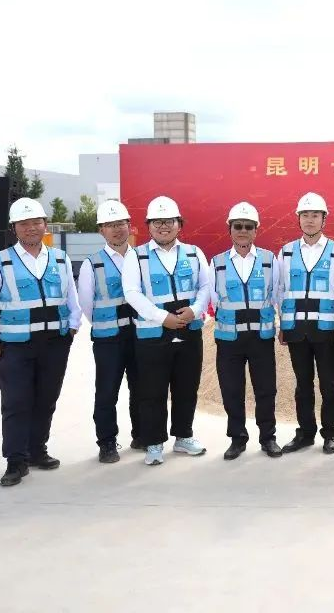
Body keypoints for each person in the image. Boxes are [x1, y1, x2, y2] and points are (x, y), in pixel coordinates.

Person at [0, 197, 81, 487]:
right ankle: (16, 460)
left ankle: (37, 450)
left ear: (45, 225)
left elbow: (71, 296)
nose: (31, 228)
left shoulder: (60, 258)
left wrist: (73, 326)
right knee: (16, 402)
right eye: (24, 224)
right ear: (14, 228)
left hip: (55, 343)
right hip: (15, 345)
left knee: (46, 399)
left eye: (36, 222)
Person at [122, 195, 213, 466]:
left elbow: (205, 286)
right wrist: (163, 318)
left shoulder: (194, 253)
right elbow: (132, 293)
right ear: (148, 226)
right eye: (157, 222)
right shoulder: (136, 256)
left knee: (187, 387)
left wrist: (196, 309)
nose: (163, 226)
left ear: (179, 224)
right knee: (152, 390)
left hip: (189, 330)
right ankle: (154, 442)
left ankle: (183, 436)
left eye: (169, 221)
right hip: (153, 334)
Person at [210, 202, 282, 460]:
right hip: (229, 339)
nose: (242, 230)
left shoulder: (269, 260)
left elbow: (277, 295)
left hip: (261, 337)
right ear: (230, 229)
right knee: (232, 390)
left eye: (248, 226)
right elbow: (214, 299)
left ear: (256, 231)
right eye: (238, 226)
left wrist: (282, 325)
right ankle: (237, 438)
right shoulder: (217, 262)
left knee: (266, 390)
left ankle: (268, 437)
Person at [277, 192, 334, 455]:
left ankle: (329, 434)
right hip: (297, 330)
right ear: (298, 219)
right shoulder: (286, 252)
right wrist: (283, 324)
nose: (310, 220)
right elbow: (280, 290)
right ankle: (305, 434)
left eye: (315, 215)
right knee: (303, 385)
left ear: (324, 219)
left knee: (329, 385)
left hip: (326, 329)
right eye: (305, 215)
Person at [78, 199, 141, 463]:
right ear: (101, 230)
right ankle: (107, 442)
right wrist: (107, 323)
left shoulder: (142, 258)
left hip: (140, 335)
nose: (116, 229)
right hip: (109, 339)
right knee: (107, 392)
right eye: (110, 225)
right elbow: (86, 304)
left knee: (142, 388)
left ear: (129, 226)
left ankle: (142, 434)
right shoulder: (92, 264)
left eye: (121, 223)